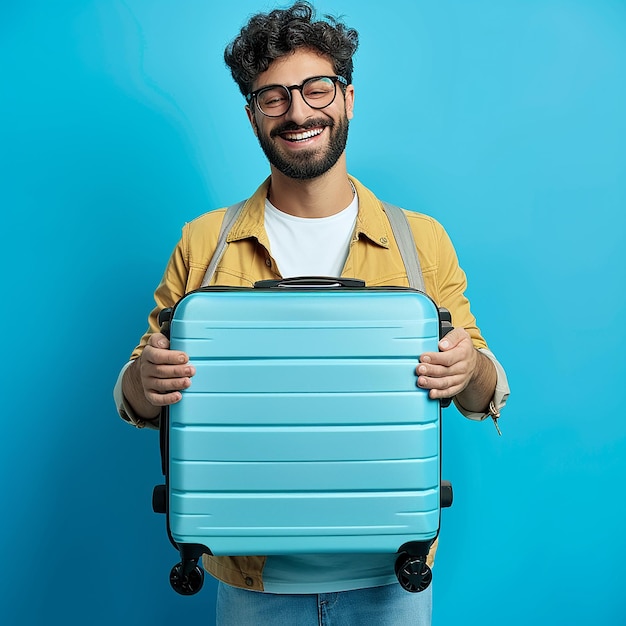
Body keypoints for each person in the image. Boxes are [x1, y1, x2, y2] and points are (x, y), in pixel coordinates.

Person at [114, 2, 510, 624]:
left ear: (347, 98)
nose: (298, 112)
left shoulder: (421, 241)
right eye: (273, 97)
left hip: (391, 581)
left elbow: (481, 387)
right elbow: (137, 392)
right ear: (251, 116)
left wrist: (469, 368)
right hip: (250, 587)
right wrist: (144, 380)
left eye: (316, 89)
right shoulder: (201, 243)